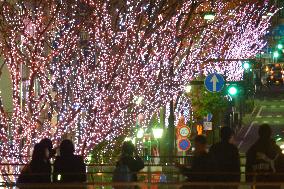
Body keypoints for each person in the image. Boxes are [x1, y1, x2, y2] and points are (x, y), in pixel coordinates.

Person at [246, 124, 282, 189]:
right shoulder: (276, 149)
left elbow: (248, 169)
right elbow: (281, 166)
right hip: (274, 183)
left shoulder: (252, 149)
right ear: (270, 134)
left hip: (258, 183)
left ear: (259, 133)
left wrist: (249, 181)